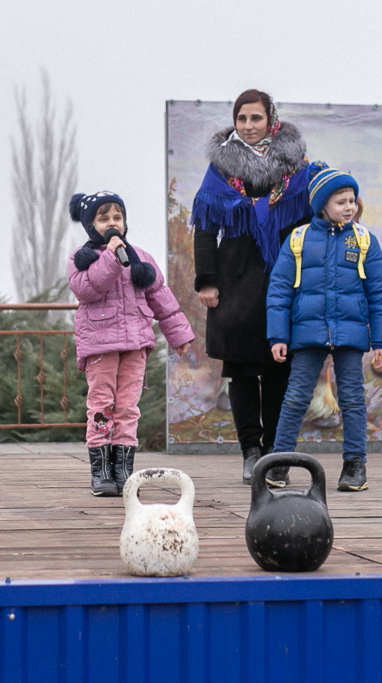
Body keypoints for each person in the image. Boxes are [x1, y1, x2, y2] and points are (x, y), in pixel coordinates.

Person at [192, 89, 326, 486]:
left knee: (280, 370)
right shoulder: (221, 167)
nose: (248, 126)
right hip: (235, 278)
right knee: (242, 370)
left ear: (271, 120)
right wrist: (207, 280)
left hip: (286, 276)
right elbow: (205, 225)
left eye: (256, 118)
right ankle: (251, 451)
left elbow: (315, 222)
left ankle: (276, 452)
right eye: (242, 119)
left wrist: (313, 275)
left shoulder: (297, 166)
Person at [266, 169, 382, 491]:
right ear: (323, 205)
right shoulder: (298, 239)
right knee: (295, 398)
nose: (349, 207)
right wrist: (278, 336)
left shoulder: (364, 240)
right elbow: (279, 291)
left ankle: (355, 465)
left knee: (352, 400)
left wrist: (381, 341)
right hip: (308, 333)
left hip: (350, 335)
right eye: (341, 202)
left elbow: (380, 293)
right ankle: (279, 462)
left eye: (352, 200)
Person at [68, 191, 194, 496]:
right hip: (101, 347)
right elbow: (89, 289)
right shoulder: (82, 259)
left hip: (135, 345)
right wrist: (111, 256)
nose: (112, 223)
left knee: (127, 407)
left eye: (117, 217)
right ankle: (101, 473)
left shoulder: (142, 259)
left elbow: (160, 298)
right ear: (91, 225)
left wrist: (178, 334)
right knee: (102, 405)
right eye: (104, 218)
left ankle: (123, 471)